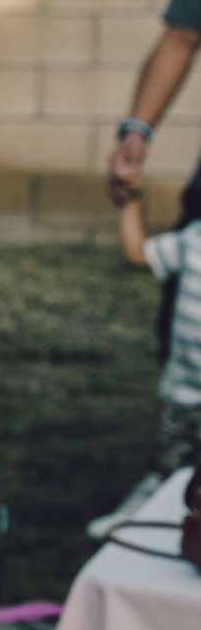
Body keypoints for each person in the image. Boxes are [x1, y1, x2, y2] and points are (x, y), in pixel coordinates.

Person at [106, 184, 201, 533]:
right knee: (171, 465)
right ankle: (145, 517)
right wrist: (129, 201)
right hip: (183, 388)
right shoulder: (193, 237)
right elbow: (137, 253)